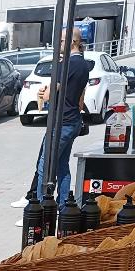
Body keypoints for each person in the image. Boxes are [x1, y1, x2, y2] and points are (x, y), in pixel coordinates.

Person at [34, 28, 88, 206]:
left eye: (62, 41)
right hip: (73, 120)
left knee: (45, 165)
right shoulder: (83, 65)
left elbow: (49, 95)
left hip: (61, 122)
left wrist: (45, 91)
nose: (58, 45)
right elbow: (80, 101)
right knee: (62, 165)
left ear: (73, 42)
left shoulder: (67, 65)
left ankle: (41, 206)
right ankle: (64, 205)